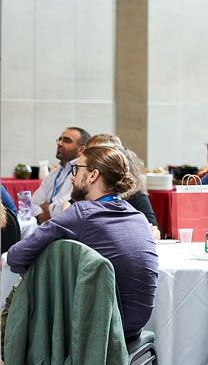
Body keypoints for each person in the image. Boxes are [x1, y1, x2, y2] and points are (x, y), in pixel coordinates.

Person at [8, 144, 158, 338]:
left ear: (93, 175)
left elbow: (15, 255)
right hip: (133, 327)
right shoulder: (138, 216)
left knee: (19, 297)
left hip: (96, 329)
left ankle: (7, 356)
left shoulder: (82, 213)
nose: (72, 177)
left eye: (76, 170)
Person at [30, 127, 88, 224]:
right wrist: (41, 215)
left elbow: (67, 207)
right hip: (43, 226)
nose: (59, 143)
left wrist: (46, 207)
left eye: (66, 140)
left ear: (81, 149)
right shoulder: (54, 173)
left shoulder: (82, 173)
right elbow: (33, 202)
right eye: (60, 139)